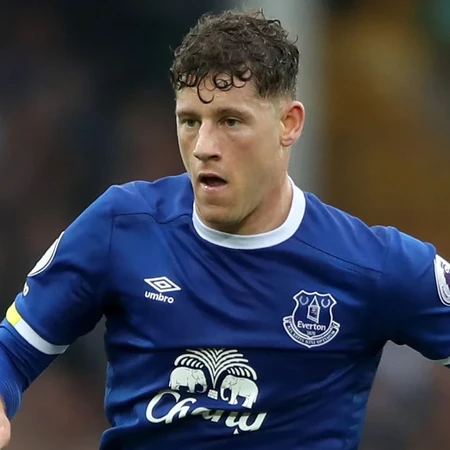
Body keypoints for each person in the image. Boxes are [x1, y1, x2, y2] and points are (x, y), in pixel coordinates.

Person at [0, 8, 449, 450]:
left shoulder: (370, 263)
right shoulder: (121, 226)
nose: (204, 147)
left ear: (288, 124)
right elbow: (13, 349)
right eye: (190, 121)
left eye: (230, 121)